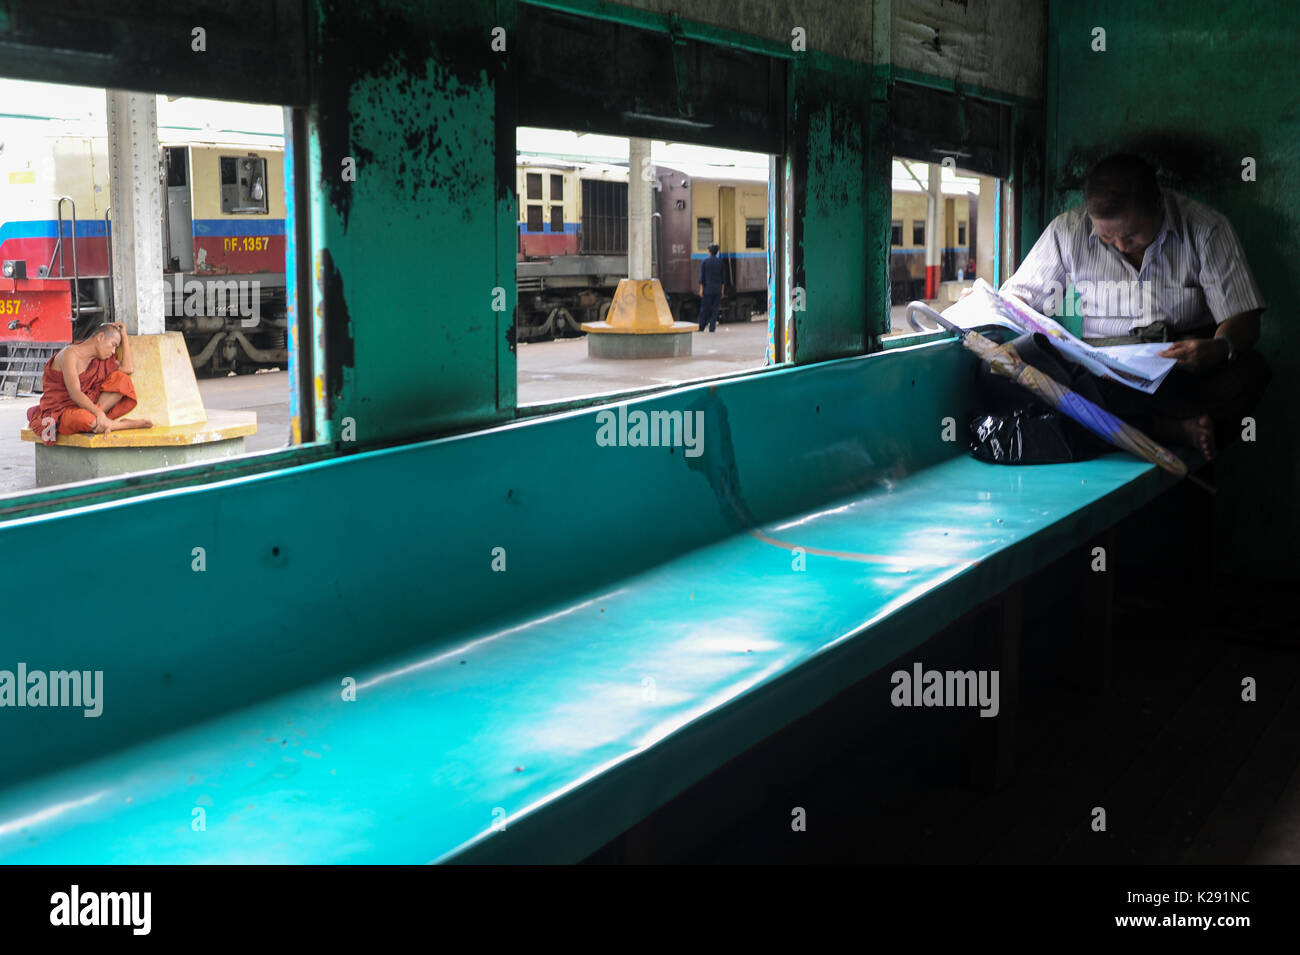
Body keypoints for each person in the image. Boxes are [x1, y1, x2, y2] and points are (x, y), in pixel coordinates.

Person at [1000, 154, 1269, 462]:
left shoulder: (1206, 230)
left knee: (1250, 373)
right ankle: (1170, 429)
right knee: (1057, 388)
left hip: (1179, 371)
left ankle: (1145, 425)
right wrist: (992, 306)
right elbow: (1017, 299)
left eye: (1131, 235)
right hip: (1103, 373)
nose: (1121, 246)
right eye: (1106, 237)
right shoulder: (1067, 232)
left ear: (1158, 205)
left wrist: (1218, 348)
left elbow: (1244, 318)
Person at [26, 322, 151, 445]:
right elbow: (75, 393)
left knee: (122, 380)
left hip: (89, 407)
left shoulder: (98, 359)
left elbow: (128, 368)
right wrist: (99, 413)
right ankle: (121, 425)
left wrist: (124, 335)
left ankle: (101, 421)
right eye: (113, 345)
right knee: (84, 419)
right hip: (63, 410)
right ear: (100, 337)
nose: (113, 351)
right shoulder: (69, 354)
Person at [698, 243, 726, 333]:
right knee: (715, 309)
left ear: (709, 251)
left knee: (705, 308)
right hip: (717, 289)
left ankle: (701, 326)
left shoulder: (704, 262)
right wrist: (722, 291)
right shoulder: (720, 262)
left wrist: (701, 289)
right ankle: (712, 327)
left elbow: (702, 278)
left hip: (707, 290)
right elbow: (723, 279)